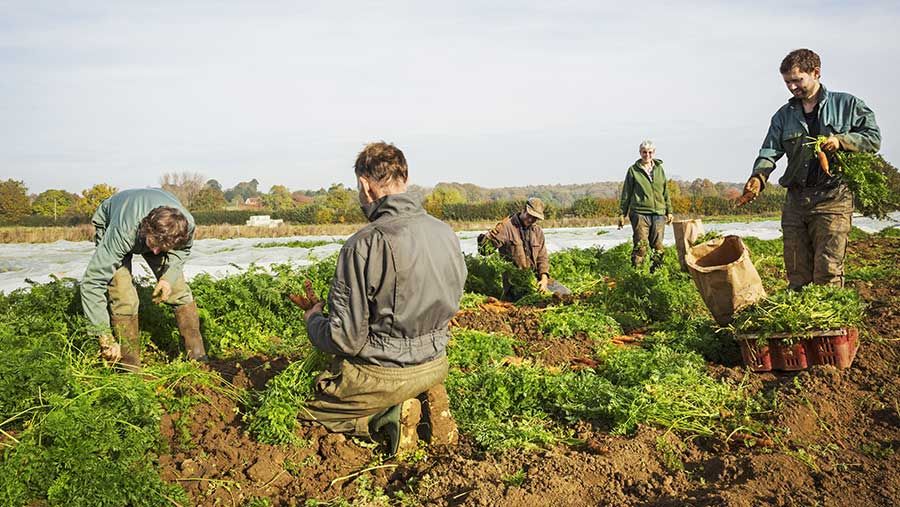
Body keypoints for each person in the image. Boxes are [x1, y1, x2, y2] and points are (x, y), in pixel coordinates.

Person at [289, 142, 467, 454]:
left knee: (304, 410)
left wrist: (314, 320)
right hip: (436, 362)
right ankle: (426, 396)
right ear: (405, 179)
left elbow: (346, 340)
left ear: (365, 186)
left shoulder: (363, 245)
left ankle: (386, 417)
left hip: (384, 374)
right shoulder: (446, 233)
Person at [738, 48, 880, 289]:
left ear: (816, 73)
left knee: (828, 271)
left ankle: (831, 322)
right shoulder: (783, 116)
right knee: (797, 273)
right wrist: (758, 177)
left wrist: (841, 141)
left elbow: (873, 138)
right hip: (796, 199)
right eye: (787, 82)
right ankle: (800, 324)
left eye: (797, 80)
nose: (792, 87)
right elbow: (769, 151)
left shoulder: (848, 104)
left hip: (833, 198)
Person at [81, 188, 208, 372]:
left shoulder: (185, 226)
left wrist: (166, 279)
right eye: (153, 245)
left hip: (157, 232)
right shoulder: (122, 233)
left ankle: (199, 359)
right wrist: (104, 335)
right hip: (115, 222)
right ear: (146, 228)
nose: (155, 253)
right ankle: (129, 369)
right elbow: (92, 282)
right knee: (124, 297)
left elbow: (182, 252)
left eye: (162, 248)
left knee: (178, 290)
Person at [477, 197, 571, 300]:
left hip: (537, 279)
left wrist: (544, 279)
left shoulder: (537, 231)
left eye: (535, 218)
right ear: (523, 210)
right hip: (515, 285)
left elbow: (542, 258)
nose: (531, 220)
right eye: (529, 216)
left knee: (566, 294)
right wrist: (488, 237)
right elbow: (484, 251)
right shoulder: (506, 227)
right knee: (533, 300)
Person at [617, 140, 674, 272]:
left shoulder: (659, 169)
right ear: (640, 153)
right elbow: (626, 193)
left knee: (658, 246)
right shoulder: (633, 170)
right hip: (640, 213)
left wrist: (669, 211)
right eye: (644, 152)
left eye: (650, 152)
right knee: (641, 246)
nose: (647, 155)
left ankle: (657, 274)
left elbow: (665, 191)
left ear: (653, 153)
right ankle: (638, 274)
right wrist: (622, 214)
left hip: (659, 213)